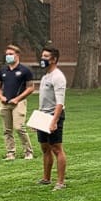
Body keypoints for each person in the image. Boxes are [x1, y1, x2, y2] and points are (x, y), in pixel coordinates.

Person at [0, 43, 36, 161]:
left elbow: (31, 87)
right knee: (7, 130)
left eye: (11, 54)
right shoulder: (2, 71)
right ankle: (10, 153)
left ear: (17, 55)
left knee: (19, 127)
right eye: (7, 54)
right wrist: (1, 97)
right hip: (5, 103)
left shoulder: (25, 70)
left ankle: (28, 152)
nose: (8, 56)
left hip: (19, 103)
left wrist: (18, 99)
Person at [36, 46, 67, 190]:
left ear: (54, 59)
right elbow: (44, 100)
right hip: (43, 115)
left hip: (54, 116)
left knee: (56, 149)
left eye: (46, 56)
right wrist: (37, 119)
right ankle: (46, 178)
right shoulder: (45, 76)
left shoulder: (58, 77)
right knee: (44, 148)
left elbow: (60, 103)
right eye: (42, 56)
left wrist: (54, 121)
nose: (42, 59)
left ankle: (60, 182)